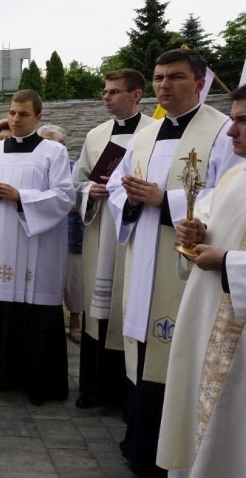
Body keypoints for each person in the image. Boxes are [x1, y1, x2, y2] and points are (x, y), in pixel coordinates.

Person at [106, 49, 238, 477]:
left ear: (200, 83)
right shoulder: (144, 134)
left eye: (176, 77)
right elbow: (114, 189)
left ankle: (176, 453)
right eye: (160, 77)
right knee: (143, 357)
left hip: (183, 264)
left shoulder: (221, 132)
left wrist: (167, 202)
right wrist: (128, 197)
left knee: (175, 359)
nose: (165, 85)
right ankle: (141, 444)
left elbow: (231, 198)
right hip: (142, 255)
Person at [156, 84, 246, 476]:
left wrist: (228, 263)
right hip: (205, 320)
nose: (230, 131)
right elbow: (209, 218)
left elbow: (226, 253)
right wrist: (195, 231)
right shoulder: (236, 175)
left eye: (242, 121)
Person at [0, 89, 74, 405]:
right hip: (1, 242)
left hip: (37, 246)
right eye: (12, 112)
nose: (15, 119)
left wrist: (23, 198)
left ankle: (38, 383)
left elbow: (65, 196)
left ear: (38, 118)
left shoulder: (52, 152)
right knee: (0, 308)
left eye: (23, 114)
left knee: (35, 313)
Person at [72, 68, 154, 410]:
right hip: (100, 226)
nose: (106, 97)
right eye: (105, 92)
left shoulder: (156, 133)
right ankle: (94, 390)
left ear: (135, 95)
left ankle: (125, 396)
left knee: (127, 308)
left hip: (134, 233)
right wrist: (90, 190)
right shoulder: (96, 135)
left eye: (114, 92)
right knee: (99, 310)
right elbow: (75, 182)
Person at [38, 124, 84, 344]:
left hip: (73, 236)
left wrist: (74, 201)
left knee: (75, 283)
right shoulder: (38, 167)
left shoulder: (75, 168)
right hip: (45, 236)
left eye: (53, 144)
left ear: (63, 146)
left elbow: (83, 193)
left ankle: (74, 322)